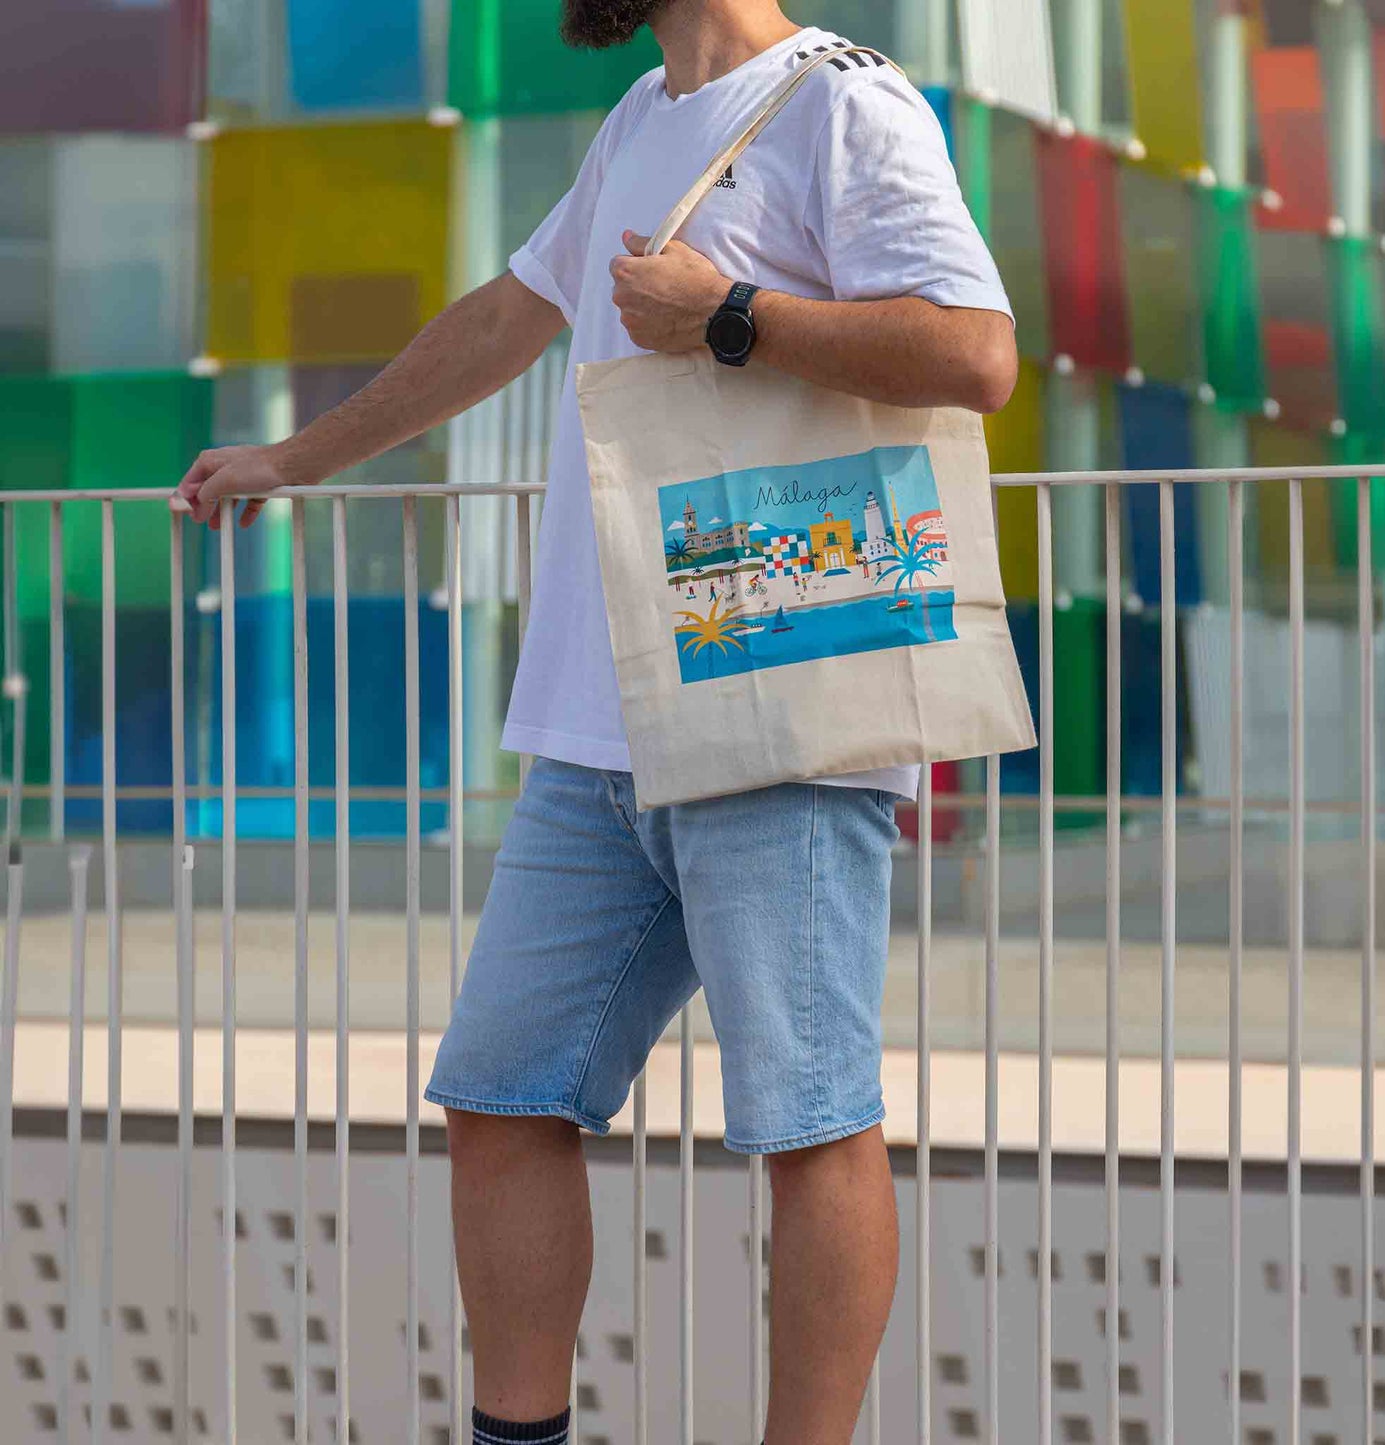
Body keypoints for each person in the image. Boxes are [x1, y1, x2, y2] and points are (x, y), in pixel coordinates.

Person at [174, 2, 1017, 1441]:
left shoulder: (844, 106)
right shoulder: (636, 119)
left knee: (807, 1120)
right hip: (595, 729)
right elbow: (508, 317)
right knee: (499, 1092)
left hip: (780, 694)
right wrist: (294, 460)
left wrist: (733, 317)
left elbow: (975, 353)